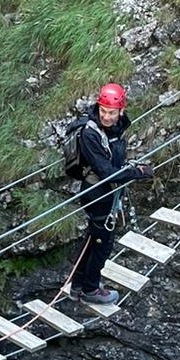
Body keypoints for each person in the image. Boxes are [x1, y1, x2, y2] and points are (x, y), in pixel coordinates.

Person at [63, 84, 153, 306]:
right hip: (96, 192)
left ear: (121, 110)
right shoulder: (90, 134)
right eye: (103, 111)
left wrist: (129, 171)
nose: (106, 116)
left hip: (105, 191)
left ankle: (78, 286)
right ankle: (91, 289)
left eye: (111, 112)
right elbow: (105, 172)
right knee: (102, 242)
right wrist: (137, 173)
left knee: (93, 238)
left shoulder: (115, 127)